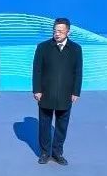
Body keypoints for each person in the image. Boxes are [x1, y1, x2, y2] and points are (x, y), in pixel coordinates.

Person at [32, 17, 83, 165]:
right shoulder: (43, 47)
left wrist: (76, 92)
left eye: (60, 31)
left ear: (68, 32)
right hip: (46, 93)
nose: (57, 33)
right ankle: (44, 152)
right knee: (44, 124)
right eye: (55, 30)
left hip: (65, 94)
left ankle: (57, 152)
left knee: (62, 125)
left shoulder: (75, 49)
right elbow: (37, 70)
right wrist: (37, 90)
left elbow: (78, 72)